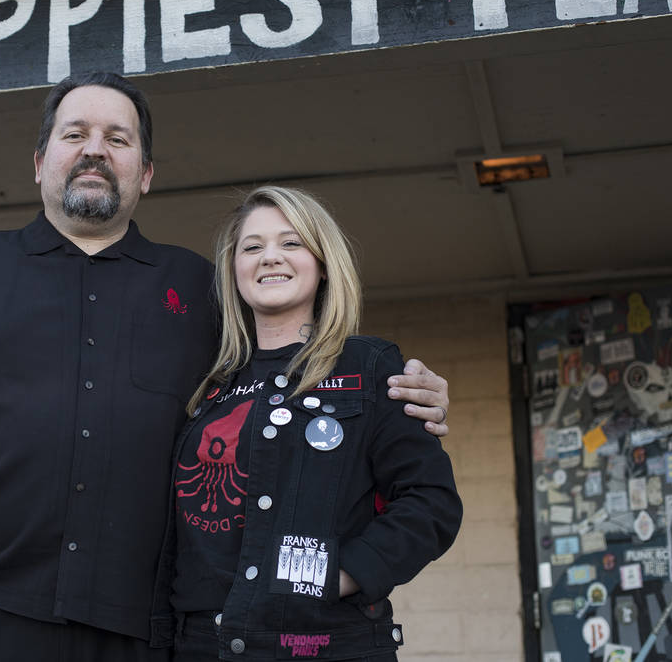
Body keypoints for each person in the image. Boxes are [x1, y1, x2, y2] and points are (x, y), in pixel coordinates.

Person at [0, 72, 452, 661]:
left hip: (136, 634)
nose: (95, 150)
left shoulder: (202, 292)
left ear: (146, 173)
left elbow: (285, 367)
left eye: (118, 139)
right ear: (40, 162)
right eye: (74, 134)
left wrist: (402, 394)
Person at [153, 186, 462, 661]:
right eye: (252, 247)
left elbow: (431, 502)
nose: (269, 257)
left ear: (322, 263)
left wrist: (340, 575)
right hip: (199, 646)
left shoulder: (368, 366)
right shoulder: (205, 384)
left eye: (291, 243)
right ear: (234, 270)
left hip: (319, 644)